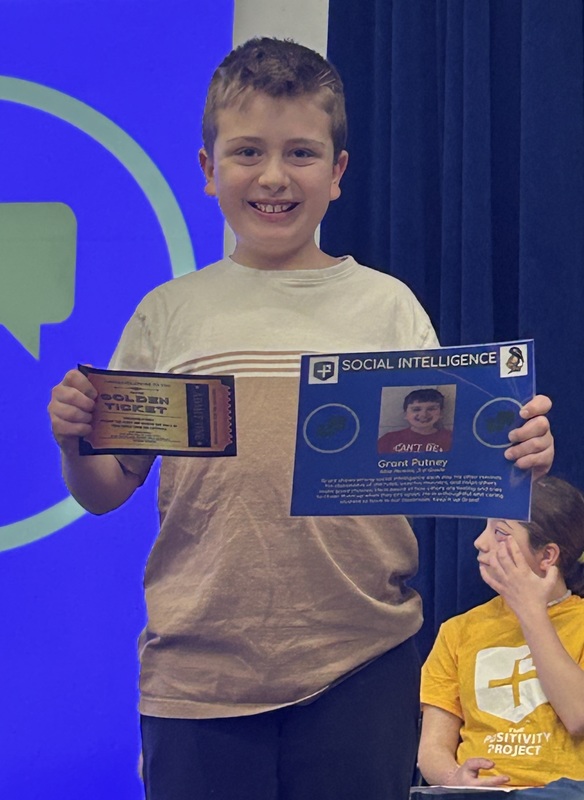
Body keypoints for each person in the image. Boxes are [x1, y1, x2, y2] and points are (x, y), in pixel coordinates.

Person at [48, 37, 554, 800]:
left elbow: (452, 457)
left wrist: (516, 449)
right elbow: (106, 489)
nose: (274, 176)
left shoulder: (387, 307)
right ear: (208, 169)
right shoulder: (168, 314)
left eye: (301, 153)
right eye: (248, 151)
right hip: (197, 670)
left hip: (363, 658)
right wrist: (73, 443)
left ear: (338, 172)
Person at [418, 476, 584, 790]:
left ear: (547, 556)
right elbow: (432, 748)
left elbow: (578, 717)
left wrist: (531, 611)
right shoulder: (458, 631)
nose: (480, 542)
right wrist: (454, 778)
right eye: (485, 528)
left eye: (500, 533)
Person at [377, 387, 452, 453]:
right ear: (405, 414)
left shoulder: (451, 438)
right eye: (416, 409)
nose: (423, 414)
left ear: (441, 413)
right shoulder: (389, 439)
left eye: (431, 409)